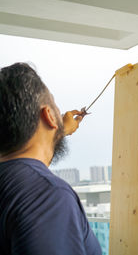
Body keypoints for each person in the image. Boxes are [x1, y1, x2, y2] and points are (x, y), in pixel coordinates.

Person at [0, 63, 102, 255]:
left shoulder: (12, 184)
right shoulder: (48, 196)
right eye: (55, 105)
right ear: (49, 115)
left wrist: (59, 131)